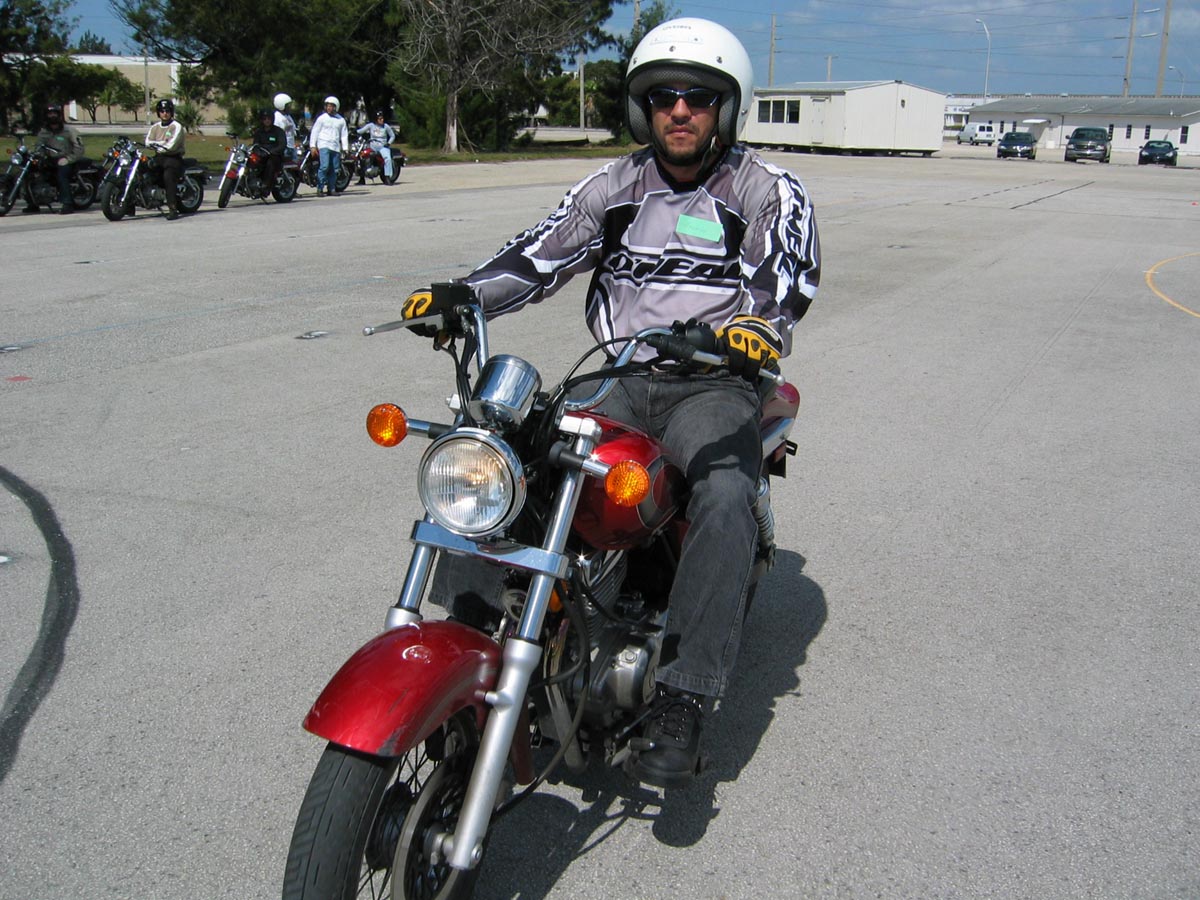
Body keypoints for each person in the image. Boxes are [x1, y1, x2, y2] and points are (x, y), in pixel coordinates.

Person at [403, 18, 820, 788]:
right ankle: (477, 637)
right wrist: (468, 293)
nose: (680, 110)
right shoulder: (616, 185)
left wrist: (758, 326)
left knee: (724, 493)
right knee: (504, 454)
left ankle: (684, 693)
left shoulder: (765, 187)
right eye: (663, 97)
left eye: (699, 97)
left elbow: (783, 269)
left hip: (714, 382)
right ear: (642, 108)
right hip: (617, 375)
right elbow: (543, 250)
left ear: (727, 108)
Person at [30, 103, 84, 214]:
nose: (52, 116)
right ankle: (32, 202)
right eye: (50, 114)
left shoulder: (69, 131)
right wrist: (38, 156)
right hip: (50, 159)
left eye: (55, 113)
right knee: (31, 172)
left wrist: (69, 159)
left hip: (66, 159)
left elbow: (79, 148)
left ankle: (67, 203)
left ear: (59, 115)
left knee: (62, 175)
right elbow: (39, 146)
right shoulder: (43, 132)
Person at [145, 98, 185, 220]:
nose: (165, 113)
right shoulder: (155, 127)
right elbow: (148, 142)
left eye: (167, 111)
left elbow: (171, 145)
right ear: (158, 113)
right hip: (159, 157)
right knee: (142, 169)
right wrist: (160, 144)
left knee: (168, 177)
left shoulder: (176, 126)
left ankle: (173, 208)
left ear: (171, 112)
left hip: (173, 157)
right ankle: (129, 204)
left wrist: (157, 144)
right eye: (162, 111)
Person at [308, 96, 348, 196]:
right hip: (324, 144)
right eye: (327, 106)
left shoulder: (341, 120)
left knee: (334, 169)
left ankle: (331, 189)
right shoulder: (322, 118)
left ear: (336, 107)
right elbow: (315, 132)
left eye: (331, 106)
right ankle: (320, 188)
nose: (329, 108)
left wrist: (345, 148)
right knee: (324, 166)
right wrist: (313, 146)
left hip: (335, 146)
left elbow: (344, 135)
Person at [355, 110, 397, 184]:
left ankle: (387, 177)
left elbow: (392, 136)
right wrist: (354, 131)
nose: (382, 120)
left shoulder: (386, 126)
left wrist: (388, 143)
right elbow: (361, 131)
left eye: (382, 118)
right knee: (362, 156)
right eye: (380, 119)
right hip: (372, 146)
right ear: (376, 119)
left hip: (383, 147)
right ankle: (362, 178)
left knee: (387, 158)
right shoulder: (371, 125)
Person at [252, 107, 287, 194]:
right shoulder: (258, 132)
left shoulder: (278, 131)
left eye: (269, 118)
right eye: (264, 119)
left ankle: (266, 185)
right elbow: (255, 144)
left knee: (270, 163)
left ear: (272, 119)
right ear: (261, 120)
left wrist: (271, 152)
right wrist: (258, 152)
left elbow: (282, 145)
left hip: (275, 156)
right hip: (261, 154)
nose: (267, 121)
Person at [273, 92, 299, 160]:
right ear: (281, 105)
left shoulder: (288, 116)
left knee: (294, 165)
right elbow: (276, 132)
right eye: (287, 105)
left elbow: (293, 129)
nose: (289, 107)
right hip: (284, 147)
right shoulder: (277, 117)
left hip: (291, 145)